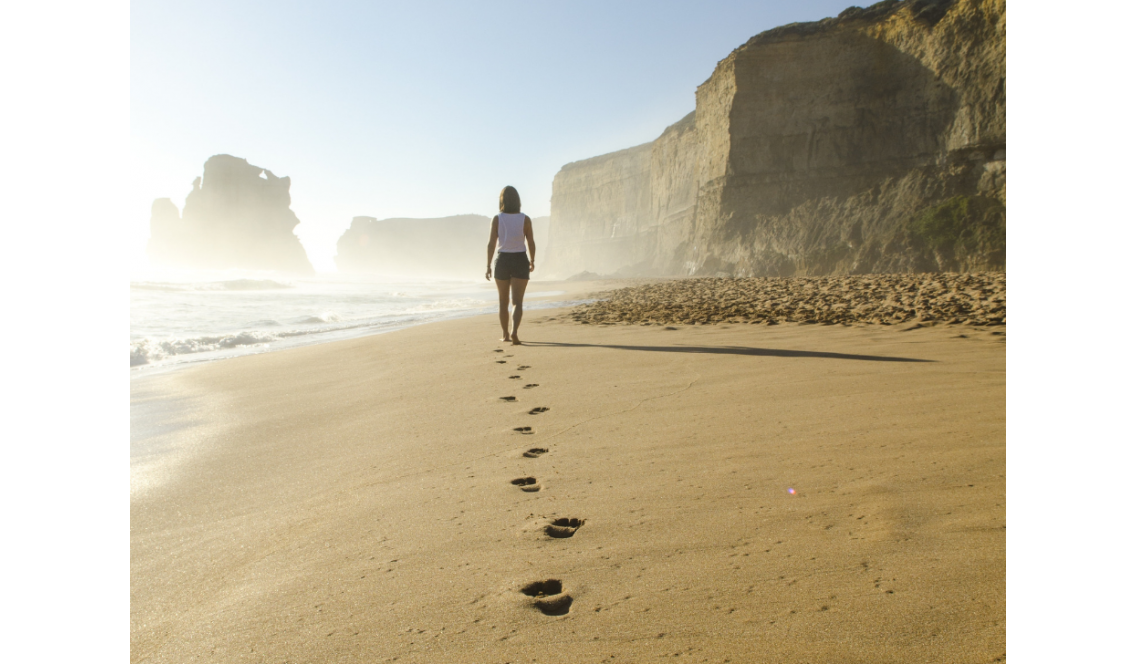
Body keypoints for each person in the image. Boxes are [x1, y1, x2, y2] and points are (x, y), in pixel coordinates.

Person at [485, 185, 536, 344]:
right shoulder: (525, 219)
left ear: (502, 200)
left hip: (503, 260)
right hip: (520, 259)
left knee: (503, 301)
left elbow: (491, 243)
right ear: (518, 201)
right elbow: (531, 242)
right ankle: (514, 332)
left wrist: (488, 265)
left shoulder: (497, 219)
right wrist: (532, 260)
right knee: (517, 302)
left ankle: (505, 334)